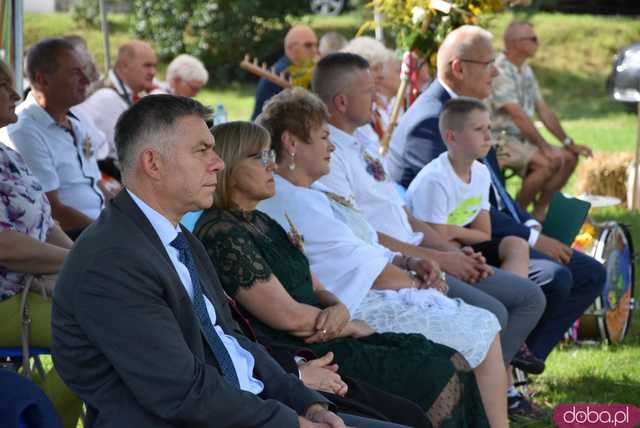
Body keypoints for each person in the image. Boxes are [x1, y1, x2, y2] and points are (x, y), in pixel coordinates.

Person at [51, 94, 408, 428]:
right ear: (153, 163)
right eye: (203, 150)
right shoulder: (113, 262)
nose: (219, 163)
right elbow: (181, 393)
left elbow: (231, 338)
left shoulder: (173, 236)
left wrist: (307, 403)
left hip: (248, 409)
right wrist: (293, 422)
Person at [195, 120, 491, 428]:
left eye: (272, 156)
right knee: (433, 375)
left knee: (448, 358)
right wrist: (346, 325)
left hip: (327, 329)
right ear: (229, 164)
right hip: (302, 350)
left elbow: (315, 284)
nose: (272, 166)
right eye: (261, 158)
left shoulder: (262, 220)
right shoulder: (222, 233)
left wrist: (337, 306)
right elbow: (287, 318)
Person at [256, 87, 515, 428]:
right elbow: (360, 267)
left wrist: (410, 263)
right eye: (322, 137)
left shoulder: (313, 193)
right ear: (291, 143)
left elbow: (365, 240)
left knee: (482, 321)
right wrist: (419, 279)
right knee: (479, 324)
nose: (331, 145)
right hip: (354, 304)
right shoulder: (293, 202)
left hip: (369, 291)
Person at [384, 24, 606, 414]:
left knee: (589, 271)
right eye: (488, 64)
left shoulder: (471, 116)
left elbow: (492, 196)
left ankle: (509, 367)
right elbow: (440, 219)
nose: (496, 73)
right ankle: (492, 385)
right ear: (458, 68)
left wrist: (532, 230)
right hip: (447, 246)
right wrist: (530, 240)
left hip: (484, 234)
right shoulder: (434, 120)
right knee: (555, 276)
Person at [312, 52, 544, 376]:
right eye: (368, 91)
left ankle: (491, 390)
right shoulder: (327, 156)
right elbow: (360, 233)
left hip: (422, 251)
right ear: (341, 101)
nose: (377, 97)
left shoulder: (362, 139)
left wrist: (452, 251)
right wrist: (438, 258)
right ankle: (482, 394)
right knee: (496, 312)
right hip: (396, 266)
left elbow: (401, 211)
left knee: (529, 297)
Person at [0, 59, 82, 428]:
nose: (16, 95)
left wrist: (87, 258)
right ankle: (42, 417)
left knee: (126, 310)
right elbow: (5, 246)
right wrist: (79, 264)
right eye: (4, 85)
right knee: (99, 328)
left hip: (31, 292)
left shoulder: (6, 155)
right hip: (6, 300)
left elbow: (47, 224)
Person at [406, 97, 529, 278]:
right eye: (478, 129)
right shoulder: (435, 180)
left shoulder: (480, 172)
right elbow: (438, 241)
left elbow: (484, 234)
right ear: (451, 137)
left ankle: (518, 292)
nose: (488, 137)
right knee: (459, 251)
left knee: (516, 245)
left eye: (489, 128)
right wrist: (460, 237)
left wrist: (454, 231)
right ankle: (507, 294)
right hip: (432, 256)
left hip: (461, 244)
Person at [488, 21, 592, 220]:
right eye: (533, 39)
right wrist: (544, 147)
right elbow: (517, 115)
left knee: (569, 158)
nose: (538, 43)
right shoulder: (499, 69)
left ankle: (538, 213)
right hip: (499, 139)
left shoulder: (524, 68)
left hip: (520, 138)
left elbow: (543, 110)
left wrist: (568, 143)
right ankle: (516, 215)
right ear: (515, 43)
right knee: (547, 163)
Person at [5, 38, 106, 239]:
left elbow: (95, 184)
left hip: (98, 227)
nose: (86, 80)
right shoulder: (25, 129)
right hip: (75, 237)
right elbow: (53, 209)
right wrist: (108, 235)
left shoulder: (75, 123)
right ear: (43, 80)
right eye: (75, 73)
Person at [80, 40, 158, 176]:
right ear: (124, 66)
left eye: (154, 66)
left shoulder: (122, 94)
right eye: (147, 66)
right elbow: (121, 155)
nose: (153, 72)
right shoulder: (107, 98)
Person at [251, 25, 318, 120]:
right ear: (290, 48)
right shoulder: (279, 74)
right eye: (308, 45)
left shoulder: (308, 70)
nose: (314, 50)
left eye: (316, 45)